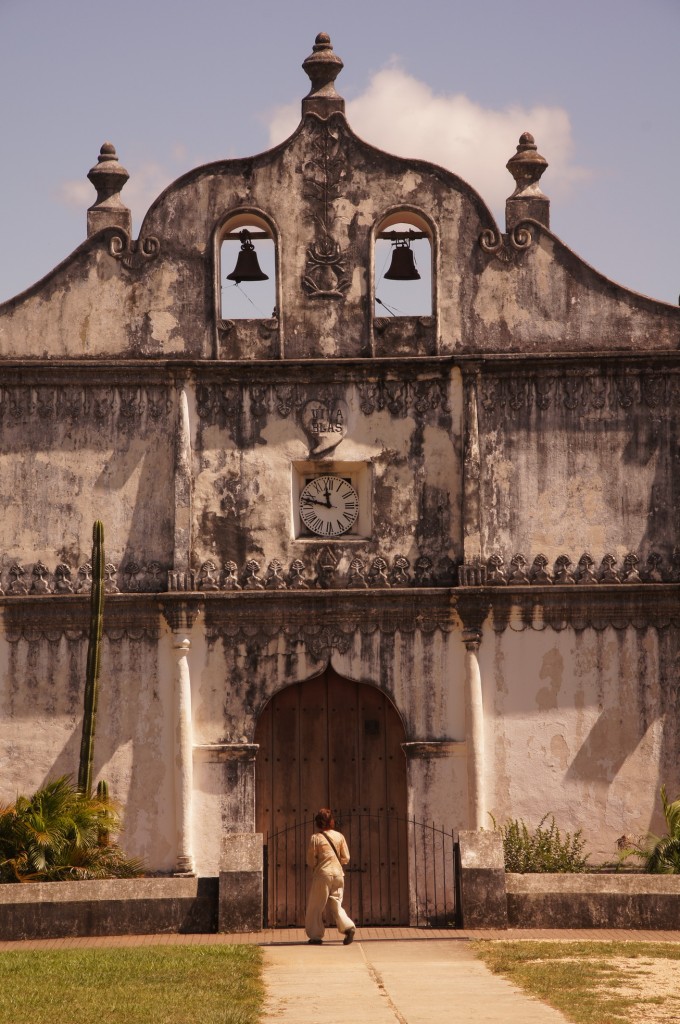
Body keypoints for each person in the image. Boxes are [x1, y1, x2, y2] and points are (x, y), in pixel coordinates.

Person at [305, 808, 356, 945]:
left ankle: (315, 936)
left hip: (323, 875)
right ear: (331, 822)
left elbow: (311, 860)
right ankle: (348, 927)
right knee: (336, 903)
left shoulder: (316, 838)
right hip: (338, 874)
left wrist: (317, 865)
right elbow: (346, 858)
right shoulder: (339, 836)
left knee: (316, 905)